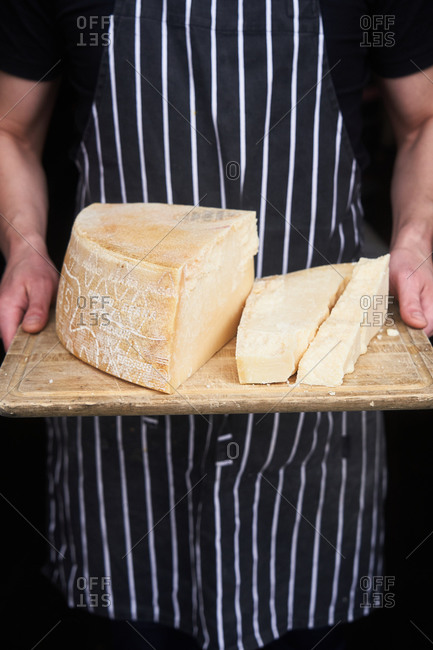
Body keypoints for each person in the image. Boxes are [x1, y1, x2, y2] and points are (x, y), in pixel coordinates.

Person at [1, 1, 433, 649]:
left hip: (310, 424)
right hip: (121, 428)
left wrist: (414, 240)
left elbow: (422, 120)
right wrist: (26, 244)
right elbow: (11, 130)